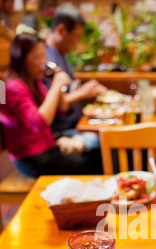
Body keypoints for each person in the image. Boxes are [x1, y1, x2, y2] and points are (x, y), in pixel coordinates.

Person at [0, 33, 103, 177]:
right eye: (37, 57)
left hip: (47, 147)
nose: (43, 62)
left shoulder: (33, 81)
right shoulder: (11, 86)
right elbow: (39, 123)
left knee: (100, 153)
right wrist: (56, 85)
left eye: (44, 56)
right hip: (32, 159)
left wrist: (56, 80)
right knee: (96, 163)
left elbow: (61, 108)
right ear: (20, 59)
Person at [44, 3, 107, 149]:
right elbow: (56, 104)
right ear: (61, 30)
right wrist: (81, 93)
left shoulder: (61, 54)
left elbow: (68, 91)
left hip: (75, 124)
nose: (77, 42)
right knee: (106, 142)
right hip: (61, 132)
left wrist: (87, 90)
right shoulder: (47, 60)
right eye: (76, 36)